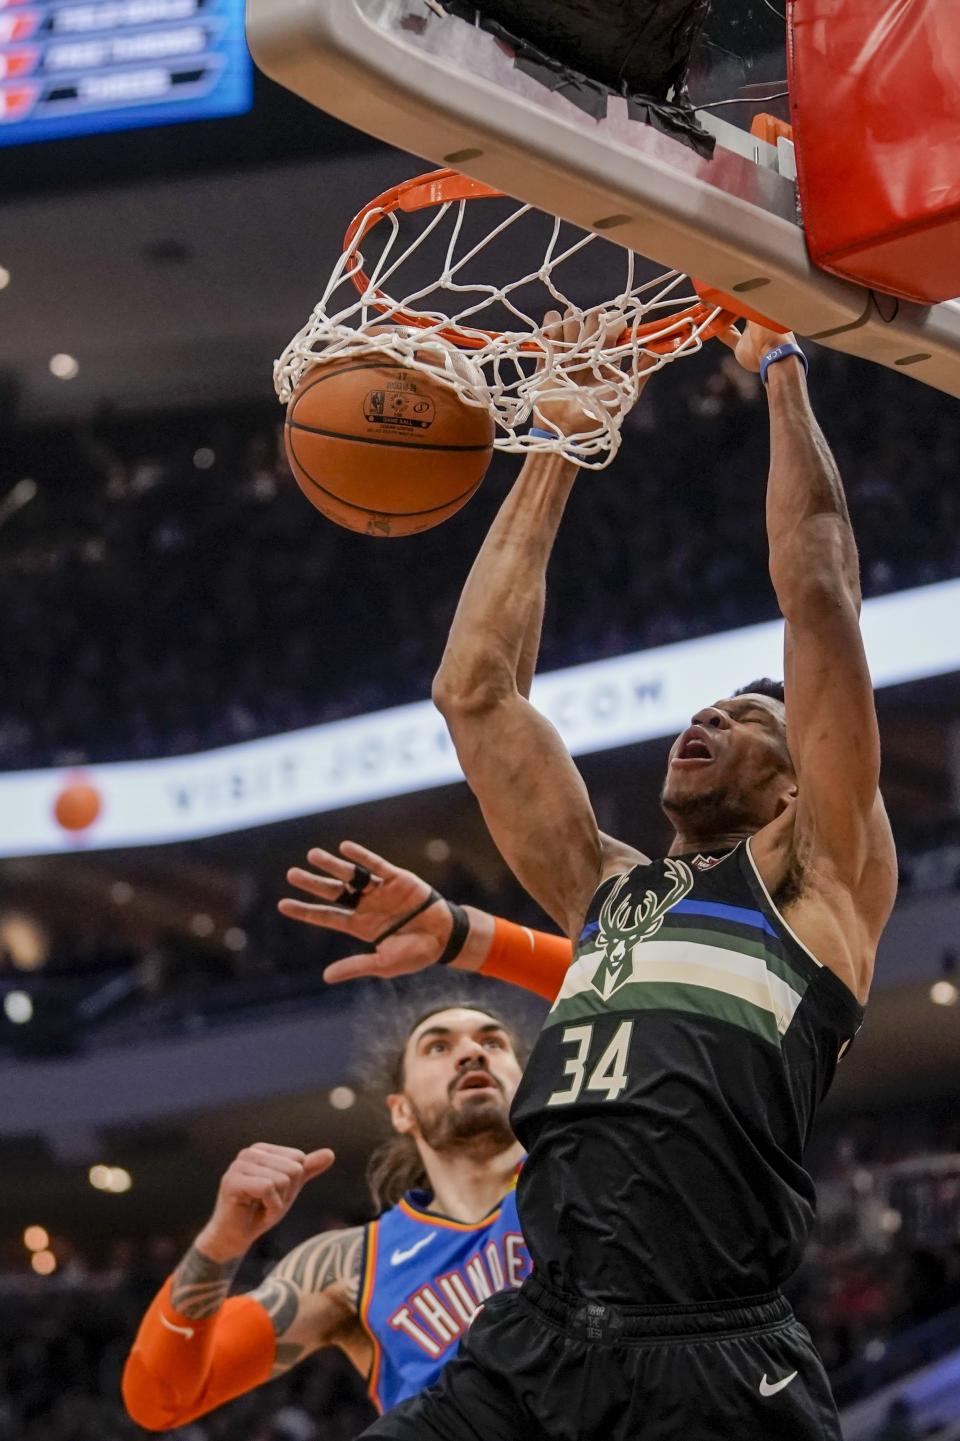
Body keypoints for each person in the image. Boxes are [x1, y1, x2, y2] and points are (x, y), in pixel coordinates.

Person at [284, 313, 899, 1440]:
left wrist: (781, 369)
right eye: (706, 705)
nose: (707, 714)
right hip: (538, 1340)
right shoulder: (603, 887)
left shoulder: (819, 880)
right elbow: (474, 691)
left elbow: (820, 591)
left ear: (795, 784)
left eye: (749, 717)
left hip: (714, 1352)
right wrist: (560, 443)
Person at [121, 992, 533, 1431]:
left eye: (493, 1043)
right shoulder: (348, 1265)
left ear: (528, 1082)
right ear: (402, 1110)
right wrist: (220, 1243)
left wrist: (487, 945)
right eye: (438, 1046)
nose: (471, 1052)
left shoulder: (588, 1181)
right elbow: (157, 1400)